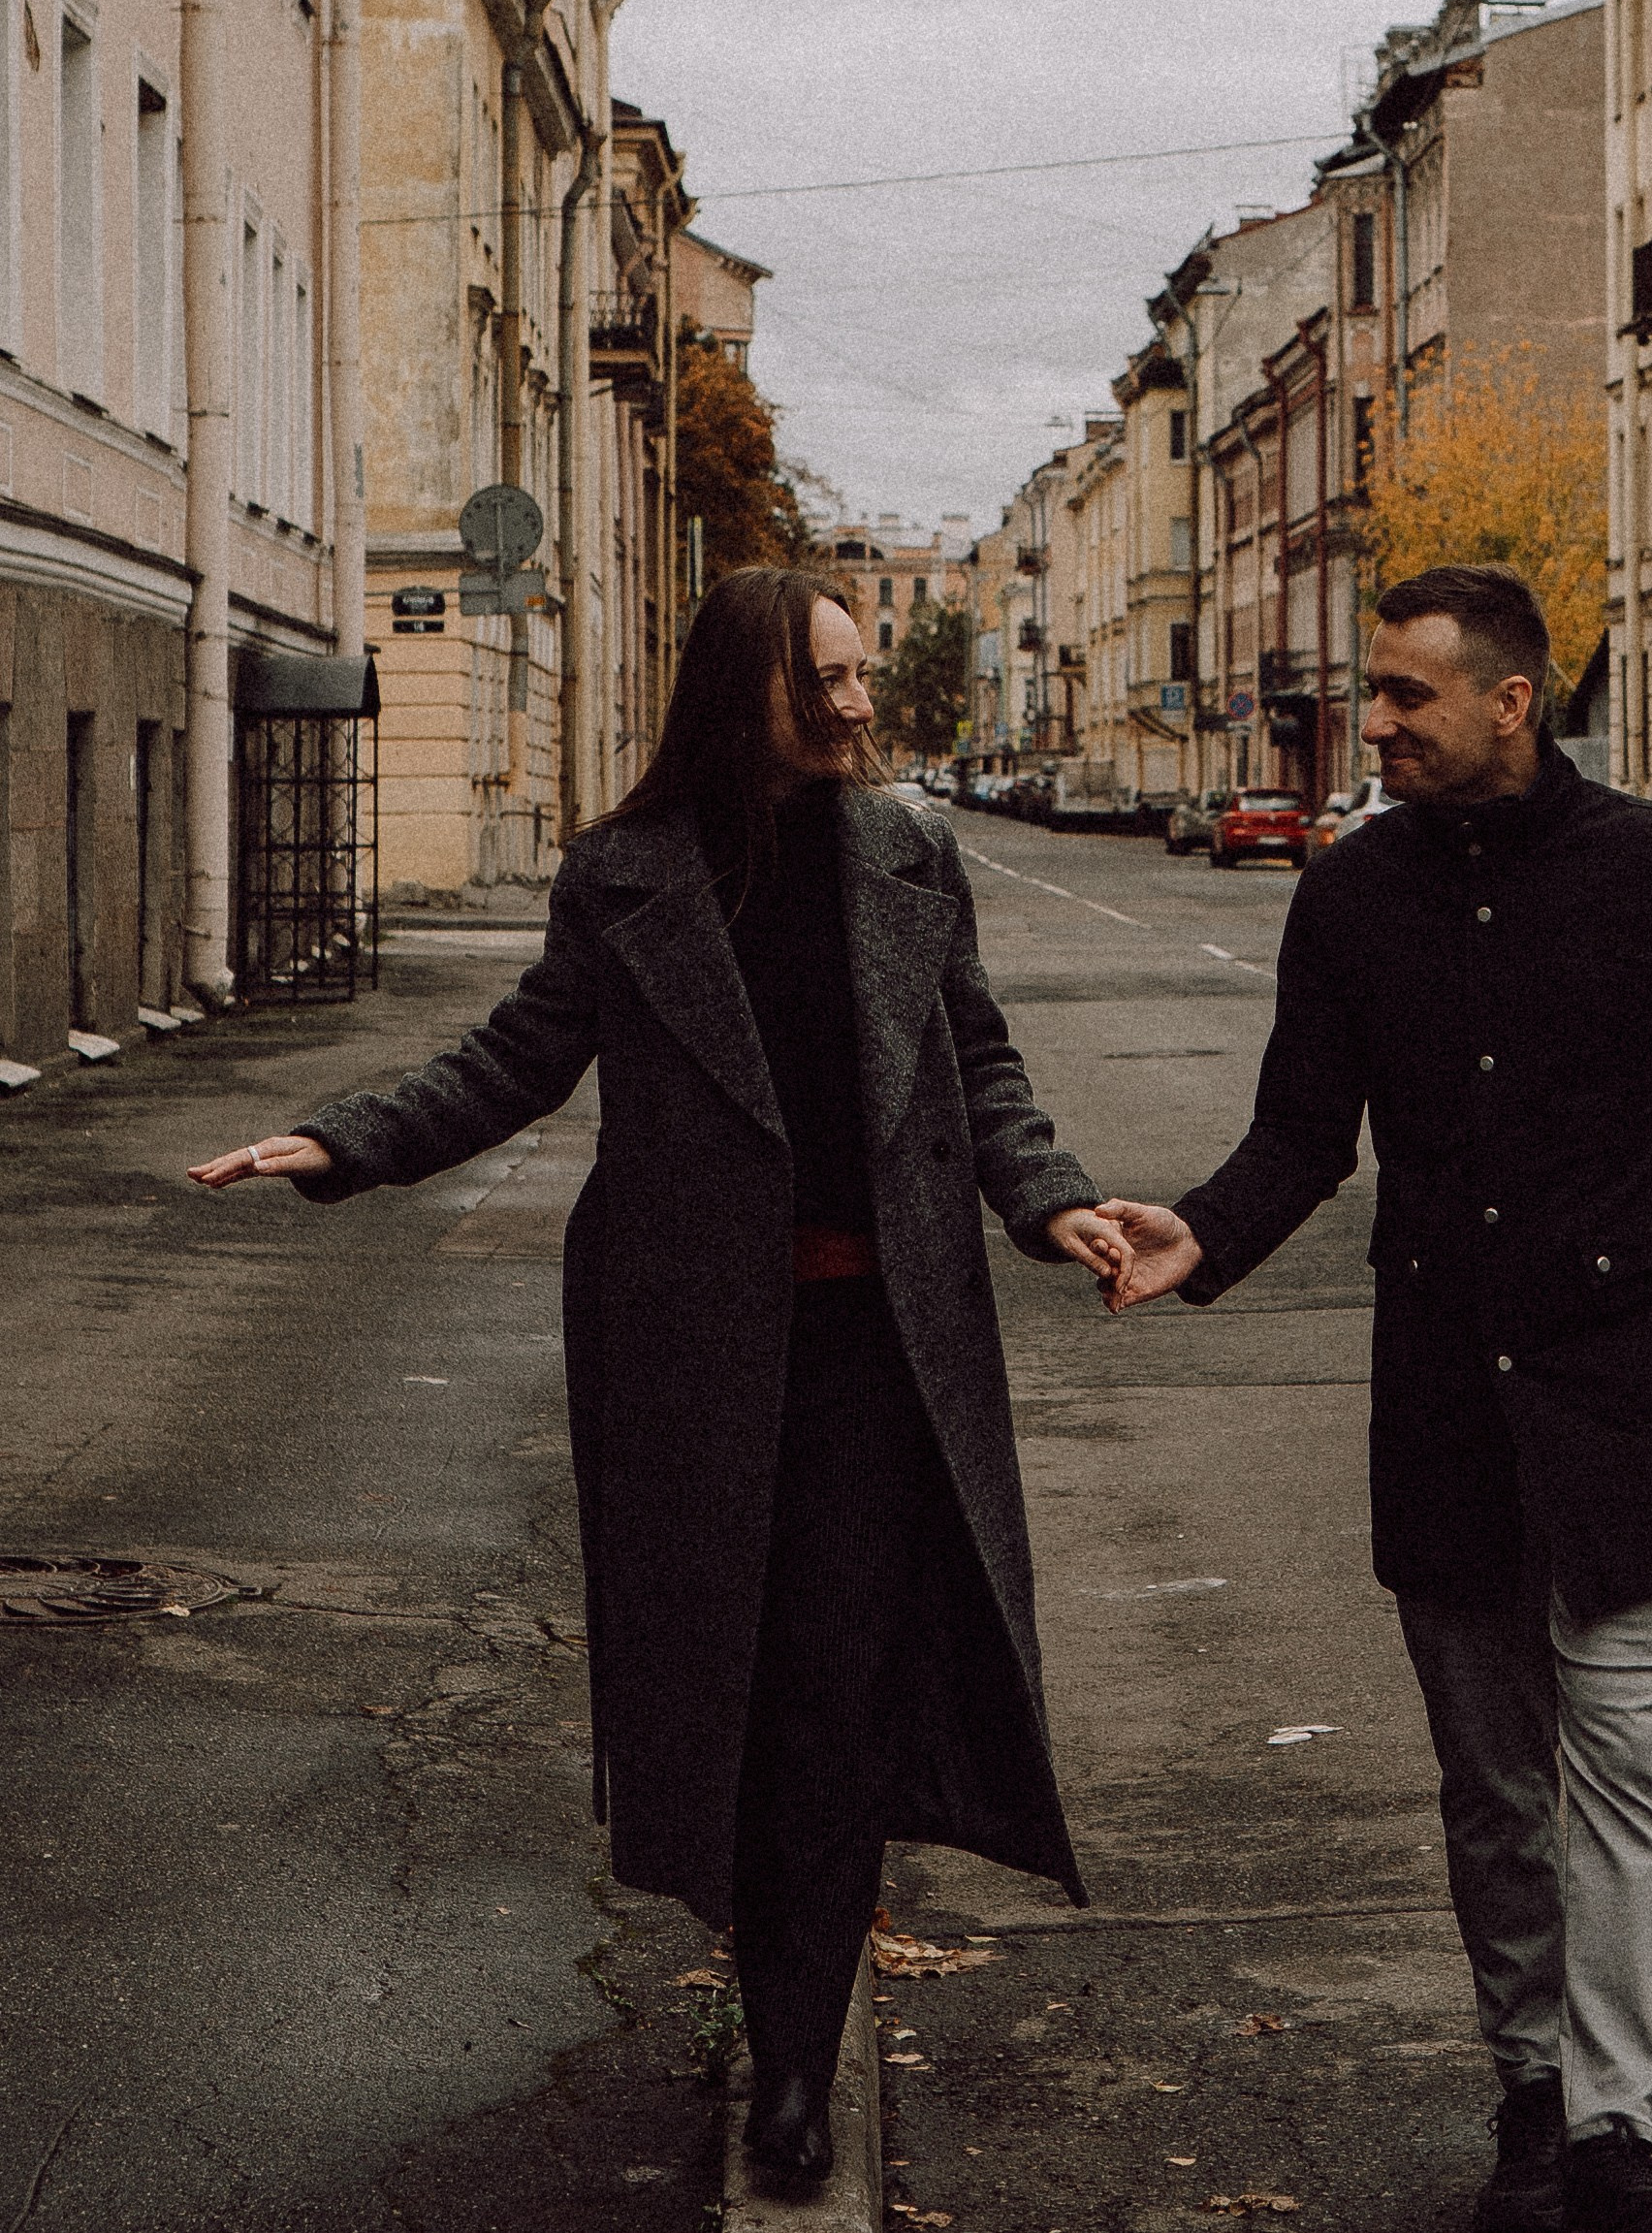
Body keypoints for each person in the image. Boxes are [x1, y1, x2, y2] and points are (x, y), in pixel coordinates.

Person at [191, 563, 1124, 2189]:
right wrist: (348, 1135)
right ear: (734, 688)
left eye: (855, 675)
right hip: (693, 1364)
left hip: (877, 1365)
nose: (852, 701)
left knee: (833, 1703)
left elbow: (978, 1060)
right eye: (818, 677)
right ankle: (768, 1993)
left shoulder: (909, 850)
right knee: (735, 1703)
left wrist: (1049, 1199)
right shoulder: (627, 875)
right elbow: (517, 1055)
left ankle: (791, 2064)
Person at [1096, 566, 1652, 2233]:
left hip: (1638, 1381)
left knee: (1626, 1762)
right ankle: (1530, 2092)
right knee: (1491, 1783)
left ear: (1508, 700)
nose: (1372, 723)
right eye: (1374, 696)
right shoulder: (1352, 892)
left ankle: (1613, 2127)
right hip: (1446, 1389)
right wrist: (1200, 1232)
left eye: (1402, 697)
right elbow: (1306, 1128)